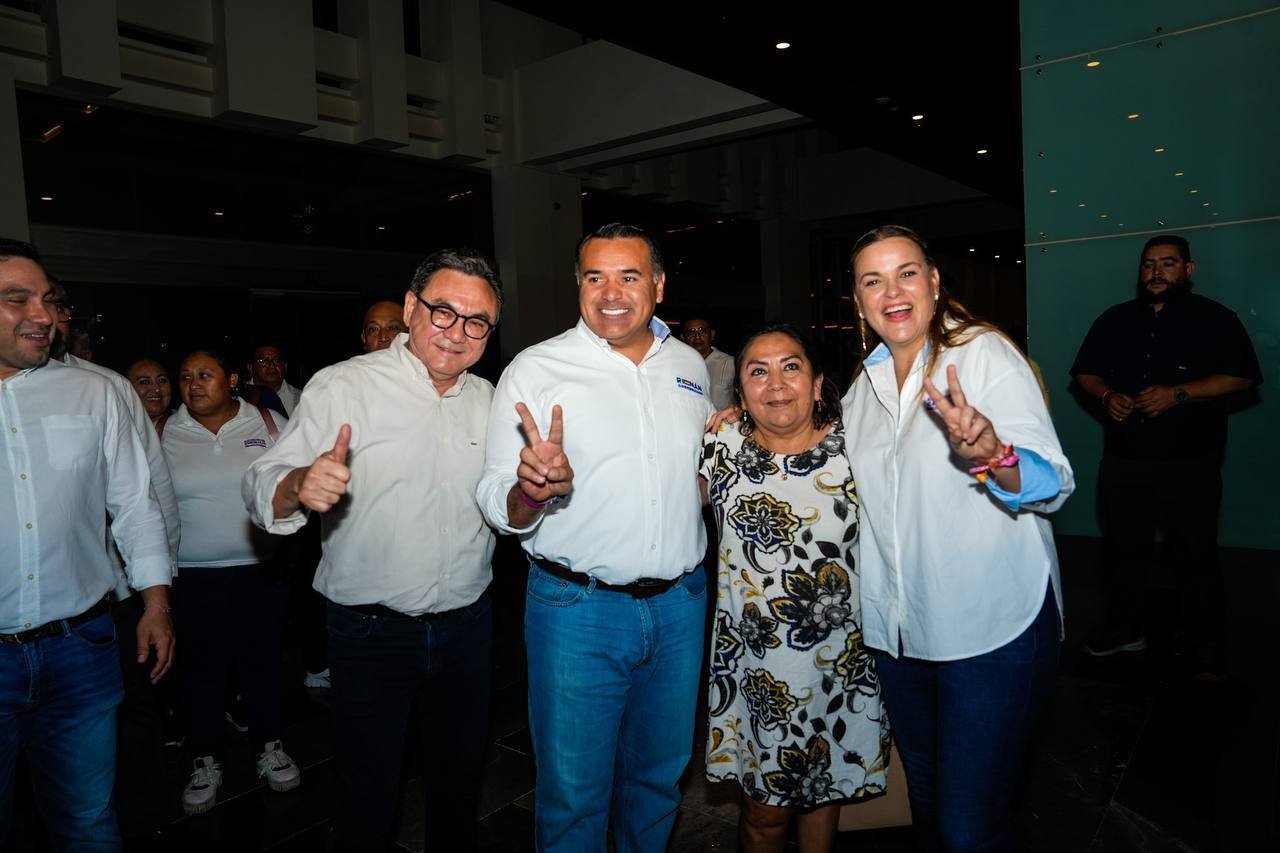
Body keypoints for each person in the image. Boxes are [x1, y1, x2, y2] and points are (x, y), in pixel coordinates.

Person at [243, 249, 503, 852]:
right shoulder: (345, 385)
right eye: (443, 311)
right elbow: (262, 478)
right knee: (368, 792)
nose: (457, 332)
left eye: (477, 322)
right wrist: (297, 483)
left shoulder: (491, 399)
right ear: (411, 308)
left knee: (459, 785)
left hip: (468, 626)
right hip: (370, 633)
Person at [478, 223, 712, 852]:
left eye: (629, 276)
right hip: (577, 612)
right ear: (577, 285)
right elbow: (495, 495)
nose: (611, 292)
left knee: (659, 782)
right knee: (574, 796)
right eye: (594, 277)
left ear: (658, 286)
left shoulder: (690, 367)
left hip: (681, 605)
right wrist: (531, 490)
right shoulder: (536, 369)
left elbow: (694, 477)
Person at [841, 225, 1073, 852]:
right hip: (901, 632)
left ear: (935, 282)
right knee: (927, 799)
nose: (892, 292)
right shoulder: (862, 391)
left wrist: (995, 456)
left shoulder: (981, 354)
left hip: (990, 628)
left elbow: (1052, 482)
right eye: (873, 281)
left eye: (907, 273)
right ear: (858, 301)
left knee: (970, 825)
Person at [0, 238, 174, 850]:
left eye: (47, 300)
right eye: (17, 299)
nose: (42, 316)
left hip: (82, 648)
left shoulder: (93, 392)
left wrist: (156, 603)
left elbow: (136, 504)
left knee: (88, 823)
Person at [700, 322, 888, 853]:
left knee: (824, 795)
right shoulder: (719, 446)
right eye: (758, 372)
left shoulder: (855, 448)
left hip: (842, 666)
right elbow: (659, 506)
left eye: (791, 367)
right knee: (764, 812)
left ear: (817, 382)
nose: (776, 383)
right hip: (757, 670)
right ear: (740, 392)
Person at [1070, 235, 1262, 671]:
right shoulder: (1114, 319)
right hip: (1125, 458)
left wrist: (1178, 394)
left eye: (1168, 263)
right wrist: (1106, 396)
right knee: (1123, 550)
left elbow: (1243, 377)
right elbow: (1085, 372)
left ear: (1188, 269)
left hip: (1190, 459)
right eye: (1149, 264)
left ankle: (1203, 642)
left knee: (1195, 552)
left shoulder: (1216, 319)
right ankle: (1125, 631)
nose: (1156, 272)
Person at [163, 346, 299, 815]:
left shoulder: (266, 424)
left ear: (233, 380)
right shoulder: (165, 432)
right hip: (193, 577)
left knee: (263, 662)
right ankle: (205, 759)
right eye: (185, 376)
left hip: (259, 571)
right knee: (202, 669)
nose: (193, 385)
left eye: (205, 374)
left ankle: (270, 746)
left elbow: (291, 486)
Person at [683, 315, 736, 410]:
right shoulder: (678, 364)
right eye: (691, 332)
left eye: (702, 331)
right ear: (683, 337)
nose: (697, 337)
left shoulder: (730, 363)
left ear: (712, 335)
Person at [248, 341, 302, 416]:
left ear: (285, 366)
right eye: (263, 361)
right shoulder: (238, 397)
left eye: (277, 360)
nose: (272, 366)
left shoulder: (301, 399)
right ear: (250, 368)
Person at [126, 357, 174, 435]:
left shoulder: (186, 428)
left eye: (162, 380)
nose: (157, 389)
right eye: (145, 382)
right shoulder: (117, 426)